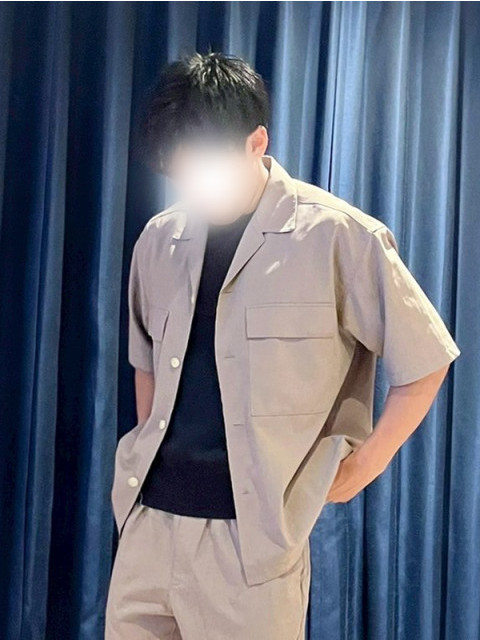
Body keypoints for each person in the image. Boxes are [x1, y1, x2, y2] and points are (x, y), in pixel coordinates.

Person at [104, 52, 460, 640]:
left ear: (256, 143)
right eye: (180, 173)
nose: (193, 188)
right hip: (148, 528)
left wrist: (366, 464)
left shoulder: (338, 236)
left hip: (252, 548)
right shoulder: (160, 238)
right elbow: (146, 361)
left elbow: (426, 359)